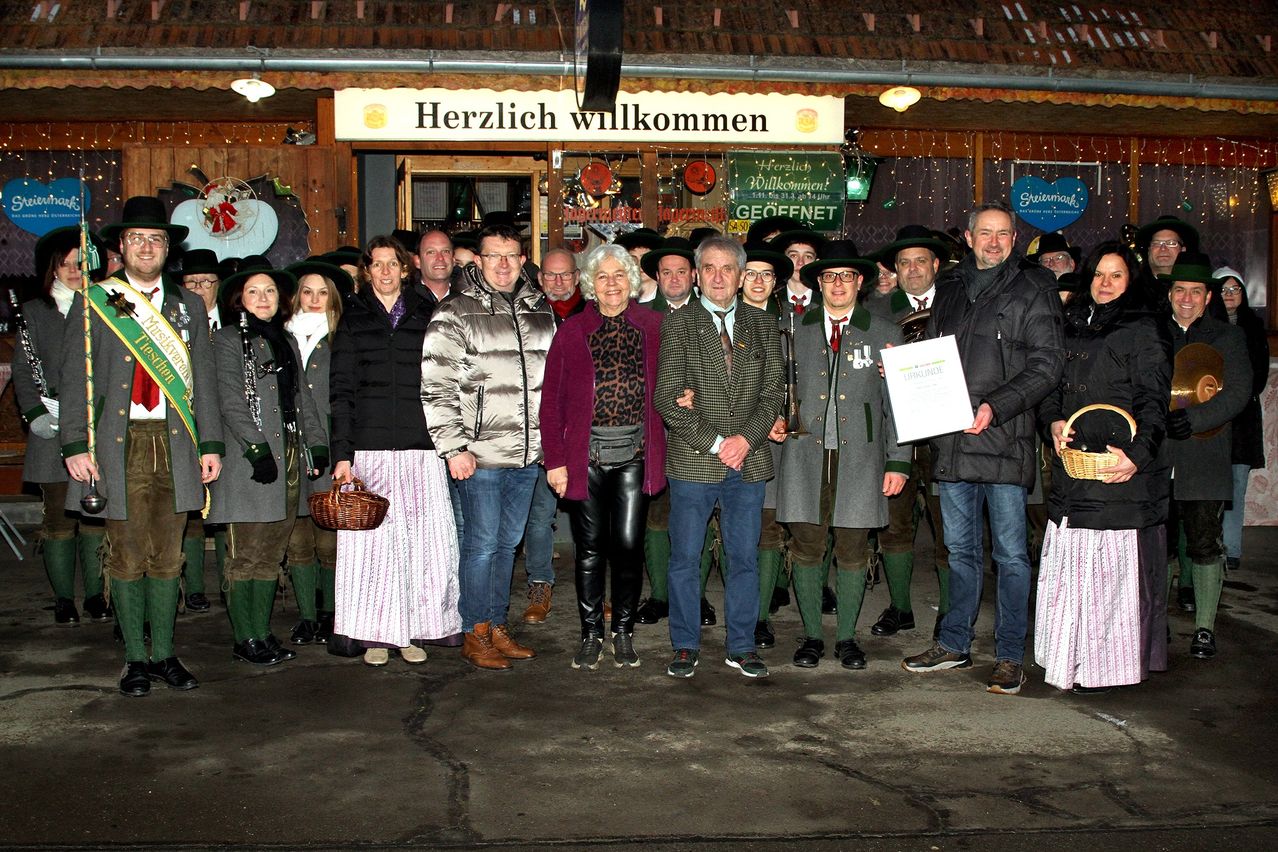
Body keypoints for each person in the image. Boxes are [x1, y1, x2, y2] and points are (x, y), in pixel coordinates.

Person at [60, 195, 224, 697]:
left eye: (156, 239)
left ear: (168, 248)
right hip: (119, 444)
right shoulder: (95, 301)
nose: (147, 247)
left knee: (170, 555)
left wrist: (210, 444)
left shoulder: (187, 305)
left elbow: (205, 380)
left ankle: (165, 654)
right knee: (128, 556)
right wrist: (74, 444)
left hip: (175, 444)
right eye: (137, 238)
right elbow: (74, 376)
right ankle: (135, 658)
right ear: (121, 247)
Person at [901, 202, 1064, 696]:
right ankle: (955, 643)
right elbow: (933, 352)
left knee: (1011, 556)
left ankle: (1010, 655)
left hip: (1005, 439)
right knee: (960, 552)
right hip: (953, 440)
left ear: (1014, 239)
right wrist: (903, 369)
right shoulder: (949, 287)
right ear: (969, 238)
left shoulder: (1034, 287)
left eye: (1003, 234)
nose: (994, 242)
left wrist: (997, 405)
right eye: (985, 233)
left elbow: (1048, 365)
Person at [1034, 241, 1171, 692]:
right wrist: (1052, 421)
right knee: (1072, 569)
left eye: (1116, 275)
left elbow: (1154, 400)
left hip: (1117, 469)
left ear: (1131, 281)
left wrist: (1137, 455)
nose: (1105, 283)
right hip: (1075, 469)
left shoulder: (1143, 327)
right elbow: (1050, 385)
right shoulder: (1069, 322)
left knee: (1108, 579)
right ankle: (1067, 660)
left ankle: (1102, 668)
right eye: (1098, 275)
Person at [422, 223, 556, 670]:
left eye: (511, 255)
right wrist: (453, 447)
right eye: (494, 256)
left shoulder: (540, 310)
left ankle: (496, 624)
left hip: (527, 454)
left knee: (507, 545)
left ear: (523, 260)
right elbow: (436, 386)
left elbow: (554, 385)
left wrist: (550, 445)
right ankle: (474, 630)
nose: (503, 264)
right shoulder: (455, 312)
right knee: (480, 545)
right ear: (477, 261)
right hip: (478, 455)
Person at [773, 241, 910, 670]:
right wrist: (774, 418)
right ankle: (812, 636)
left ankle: (848, 638)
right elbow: (776, 388)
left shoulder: (885, 333)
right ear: (818, 282)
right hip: (804, 457)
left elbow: (898, 405)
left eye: (846, 276)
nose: (837, 284)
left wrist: (898, 461)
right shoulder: (795, 330)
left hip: (862, 460)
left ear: (859, 282)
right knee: (806, 546)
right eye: (829, 276)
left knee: (853, 547)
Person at [653, 235, 785, 678]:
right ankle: (685, 645)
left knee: (744, 558)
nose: (717, 276)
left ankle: (742, 646)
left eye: (727, 268)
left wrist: (745, 439)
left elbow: (773, 393)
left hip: (748, 461)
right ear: (696, 274)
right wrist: (716, 443)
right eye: (708, 268)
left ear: (741, 275)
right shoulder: (678, 324)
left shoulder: (763, 324)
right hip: (694, 460)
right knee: (685, 558)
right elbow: (667, 398)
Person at [330, 235, 460, 667]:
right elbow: (341, 391)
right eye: (377, 264)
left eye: (392, 264)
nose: (385, 272)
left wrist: (450, 440)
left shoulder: (427, 313)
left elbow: (445, 380)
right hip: (369, 449)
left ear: (405, 269)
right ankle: (376, 635)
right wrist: (343, 455)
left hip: (421, 447)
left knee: (422, 544)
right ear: (367, 270)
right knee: (374, 546)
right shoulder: (353, 318)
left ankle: (413, 632)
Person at [541, 244, 666, 669]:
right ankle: (591, 633)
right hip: (585, 458)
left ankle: (623, 632)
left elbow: (674, 381)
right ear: (590, 284)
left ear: (631, 280)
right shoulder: (572, 331)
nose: (611, 284)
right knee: (590, 548)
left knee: (628, 546)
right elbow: (551, 404)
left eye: (619, 275)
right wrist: (555, 461)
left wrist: (685, 395)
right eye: (602, 276)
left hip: (635, 455)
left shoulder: (654, 327)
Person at [207, 260, 326, 665]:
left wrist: (316, 444)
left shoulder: (284, 340)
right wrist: (256, 449)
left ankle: (262, 632)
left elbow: (302, 400)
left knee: (273, 553)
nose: (263, 298)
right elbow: (229, 400)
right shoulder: (226, 340)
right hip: (250, 462)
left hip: (288, 457)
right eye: (253, 292)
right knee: (246, 555)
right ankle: (245, 638)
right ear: (239, 299)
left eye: (270, 291)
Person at [14, 227, 109, 627]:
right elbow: (23, 371)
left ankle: (95, 596)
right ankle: (63, 599)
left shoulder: (106, 306)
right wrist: (37, 414)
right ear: (52, 268)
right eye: (65, 264)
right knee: (58, 519)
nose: (73, 271)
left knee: (94, 518)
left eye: (80, 264)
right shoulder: (36, 312)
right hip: (53, 429)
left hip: (98, 429)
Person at [1160, 253, 1251, 660]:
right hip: (1158, 456)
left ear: (1208, 296)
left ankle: (1204, 628)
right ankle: (1155, 624)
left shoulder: (1227, 338)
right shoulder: (1153, 333)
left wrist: (1195, 420)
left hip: (1205, 455)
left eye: (1195, 292)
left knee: (1204, 543)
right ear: (1170, 293)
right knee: (1158, 543)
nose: (1186, 299)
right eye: (1180, 290)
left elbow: (1237, 393)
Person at [867, 225, 952, 638]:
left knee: (948, 525)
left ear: (935, 265)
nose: (913, 269)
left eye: (921, 261)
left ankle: (950, 612)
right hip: (895, 433)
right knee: (894, 522)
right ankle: (900, 606)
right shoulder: (876, 310)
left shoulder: (959, 304)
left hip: (948, 435)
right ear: (895, 270)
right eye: (904, 263)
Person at [282, 259, 353, 643]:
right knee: (297, 536)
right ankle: (307, 615)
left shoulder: (343, 335)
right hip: (292, 447)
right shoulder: (282, 335)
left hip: (330, 445)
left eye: (322, 292)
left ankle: (331, 613)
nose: (314, 299)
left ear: (333, 297)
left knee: (329, 535)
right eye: (307, 291)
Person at [519, 248, 583, 625]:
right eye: (551, 275)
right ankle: (540, 584)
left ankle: (595, 590)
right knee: (540, 515)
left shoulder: (593, 313)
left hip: (587, 432)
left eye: (565, 275)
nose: (558, 282)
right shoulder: (526, 315)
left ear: (577, 277)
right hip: (541, 429)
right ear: (540, 279)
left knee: (591, 517)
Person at [737, 245, 793, 648]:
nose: (758, 281)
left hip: (781, 438)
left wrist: (784, 417)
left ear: (777, 283)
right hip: (735, 440)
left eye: (767, 275)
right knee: (738, 530)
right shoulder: (722, 320)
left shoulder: (791, 323)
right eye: (751, 273)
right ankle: (742, 611)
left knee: (770, 525)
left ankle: (760, 617)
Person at [177, 247, 225, 613]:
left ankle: (228, 583)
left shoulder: (233, 319)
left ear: (218, 285)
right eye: (192, 282)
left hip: (228, 426)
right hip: (186, 423)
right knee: (190, 512)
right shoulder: (171, 320)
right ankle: (193, 585)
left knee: (225, 512)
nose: (199, 289)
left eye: (206, 282)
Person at [1213, 266, 1268, 572]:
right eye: (1224, 289)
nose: (1230, 295)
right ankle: (1209, 546)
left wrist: (1237, 395)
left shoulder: (1253, 327)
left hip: (1244, 418)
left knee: (1236, 484)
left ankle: (1232, 548)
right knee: (1210, 486)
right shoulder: (1206, 326)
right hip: (1211, 416)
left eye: (1235, 289)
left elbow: (1258, 374)